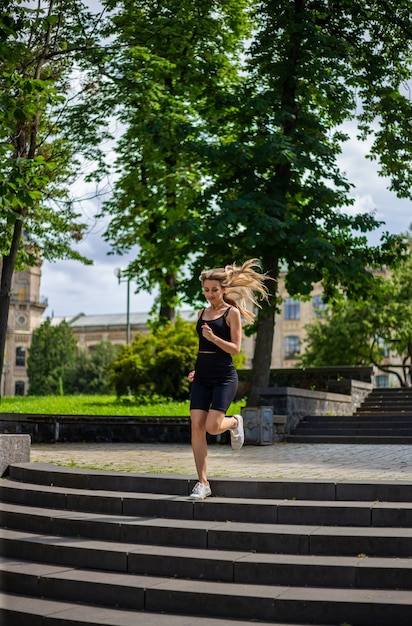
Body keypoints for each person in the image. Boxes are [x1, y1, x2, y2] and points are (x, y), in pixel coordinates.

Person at [188, 259, 269, 500]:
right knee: (196, 427)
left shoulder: (232, 313)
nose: (210, 294)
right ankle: (203, 483)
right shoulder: (201, 313)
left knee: (213, 427)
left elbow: (235, 349)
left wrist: (214, 338)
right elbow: (202, 348)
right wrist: (196, 370)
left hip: (224, 377)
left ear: (223, 289)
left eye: (214, 290)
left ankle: (234, 422)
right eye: (206, 290)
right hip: (202, 377)